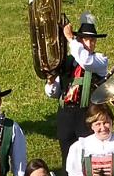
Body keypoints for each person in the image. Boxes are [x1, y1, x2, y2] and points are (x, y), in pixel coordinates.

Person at [44, 12, 110, 156]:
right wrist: (50, 82)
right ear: (80, 41)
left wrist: (70, 38)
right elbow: (54, 93)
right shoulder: (66, 62)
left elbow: (85, 61)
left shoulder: (99, 60)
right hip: (65, 113)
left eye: (93, 41)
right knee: (66, 155)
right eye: (87, 40)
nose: (90, 44)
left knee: (88, 155)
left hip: (86, 113)